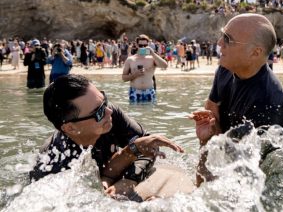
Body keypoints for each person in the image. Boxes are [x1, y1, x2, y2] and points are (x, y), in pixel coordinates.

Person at [29, 74, 187, 201]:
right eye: (98, 112)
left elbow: (149, 144)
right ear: (70, 128)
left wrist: (129, 180)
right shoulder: (53, 164)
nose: (108, 111)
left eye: (104, 101)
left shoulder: (110, 114)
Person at [190, 13, 283, 186]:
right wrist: (207, 139)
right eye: (222, 35)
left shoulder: (270, 103)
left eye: (228, 39)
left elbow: (248, 181)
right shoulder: (226, 69)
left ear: (255, 52)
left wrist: (216, 135)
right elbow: (211, 106)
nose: (220, 43)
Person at [122, 34, 168, 103]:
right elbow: (124, 78)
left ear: (148, 45)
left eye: (145, 46)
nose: (143, 47)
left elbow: (165, 66)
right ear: (137, 45)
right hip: (134, 91)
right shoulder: (130, 59)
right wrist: (134, 75)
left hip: (149, 91)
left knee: (150, 112)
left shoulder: (152, 58)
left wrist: (152, 53)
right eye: (140, 46)